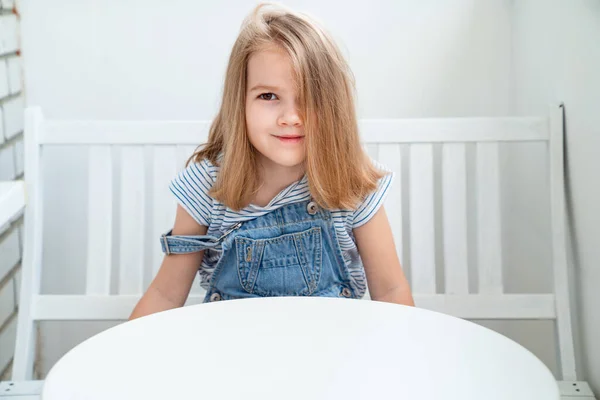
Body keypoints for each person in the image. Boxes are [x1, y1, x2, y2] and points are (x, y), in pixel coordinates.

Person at [129, 2, 414, 320]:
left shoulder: (354, 183)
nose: (291, 117)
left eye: (310, 98)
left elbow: (390, 291)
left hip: (332, 355)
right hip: (232, 356)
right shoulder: (207, 186)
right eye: (268, 96)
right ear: (241, 102)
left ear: (334, 105)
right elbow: (165, 295)